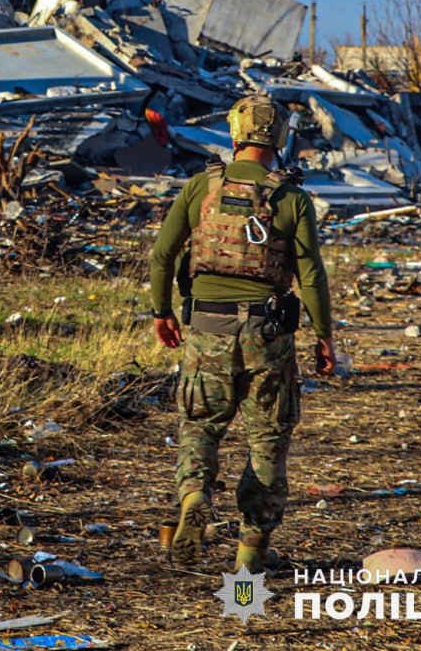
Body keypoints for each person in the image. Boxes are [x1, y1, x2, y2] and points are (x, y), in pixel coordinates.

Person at [149, 95, 335, 571]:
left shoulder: (199, 187)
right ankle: (250, 553)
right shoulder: (291, 198)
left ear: (234, 135)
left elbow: (164, 255)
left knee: (200, 425)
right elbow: (311, 275)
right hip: (266, 333)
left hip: (206, 325)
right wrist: (323, 335)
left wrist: (161, 311)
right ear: (280, 139)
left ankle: (194, 496)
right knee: (268, 438)